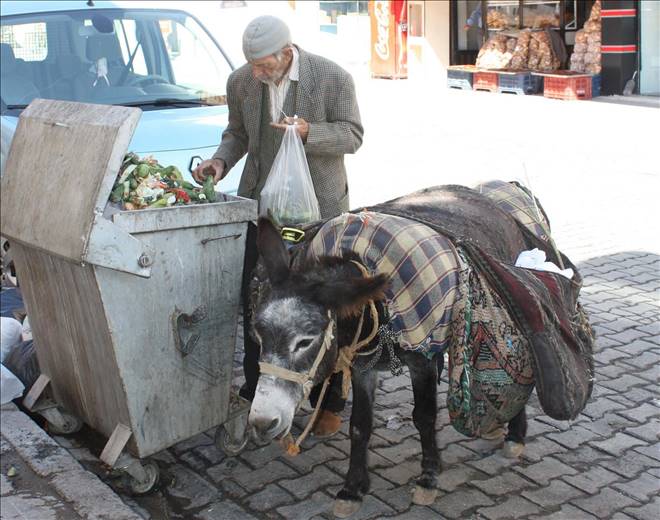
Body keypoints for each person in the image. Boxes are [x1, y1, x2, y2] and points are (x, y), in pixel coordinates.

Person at [192, 15, 363, 438]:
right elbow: (236, 133)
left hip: (319, 211)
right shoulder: (241, 82)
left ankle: (331, 400)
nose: (257, 73)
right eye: (252, 64)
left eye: (265, 65)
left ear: (288, 52)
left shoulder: (331, 77)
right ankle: (258, 389)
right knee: (259, 301)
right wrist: (220, 160)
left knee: (324, 308)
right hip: (264, 212)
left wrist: (308, 133)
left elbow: (353, 135)